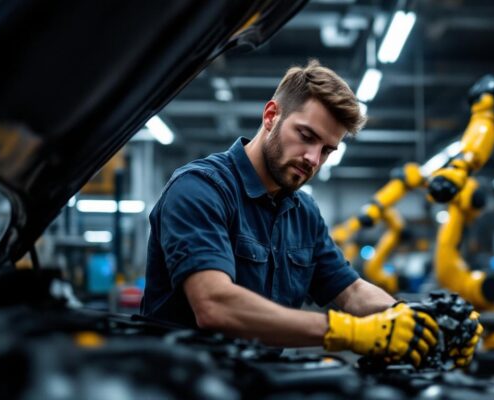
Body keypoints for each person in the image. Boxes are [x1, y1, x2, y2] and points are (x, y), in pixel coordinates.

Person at [141, 60, 474, 367]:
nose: (313, 159)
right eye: (306, 136)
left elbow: (352, 292)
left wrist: (419, 320)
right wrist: (349, 332)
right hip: (177, 383)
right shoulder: (201, 189)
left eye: (327, 149)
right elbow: (214, 304)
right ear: (271, 116)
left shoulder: (304, 213)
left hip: (254, 380)